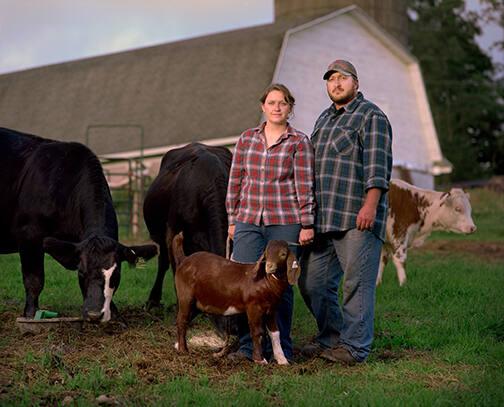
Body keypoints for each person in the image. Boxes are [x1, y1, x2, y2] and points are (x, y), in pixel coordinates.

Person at [299, 60, 393, 364]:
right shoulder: (323, 120)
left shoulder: (371, 115)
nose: (336, 84)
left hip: (357, 216)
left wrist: (370, 204)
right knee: (312, 283)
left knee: (356, 284)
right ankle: (331, 339)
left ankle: (355, 349)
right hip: (324, 218)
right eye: (331, 79)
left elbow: (378, 165)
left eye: (343, 78)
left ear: (355, 82)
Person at [226, 83, 315, 362]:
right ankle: (246, 346)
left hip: (285, 222)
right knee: (245, 281)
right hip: (249, 220)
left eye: (283, 103)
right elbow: (235, 181)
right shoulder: (246, 139)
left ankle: (282, 348)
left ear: (290, 108)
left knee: (281, 285)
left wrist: (307, 223)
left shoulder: (299, 142)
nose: (277, 107)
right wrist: (232, 219)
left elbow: (305, 185)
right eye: (272, 102)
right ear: (263, 106)